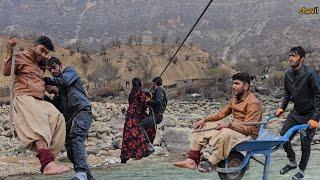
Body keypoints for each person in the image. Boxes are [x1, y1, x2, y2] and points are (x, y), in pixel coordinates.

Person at [1, 36, 69, 175]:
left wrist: (52, 89)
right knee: (39, 122)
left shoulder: (41, 66)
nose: (43, 55)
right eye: (42, 50)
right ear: (34, 46)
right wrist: (10, 50)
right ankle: (47, 163)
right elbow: (6, 71)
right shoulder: (21, 56)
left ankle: (48, 160)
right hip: (24, 96)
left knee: (58, 119)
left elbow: (39, 81)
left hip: (38, 99)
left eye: (46, 53)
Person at [174, 72, 263, 172]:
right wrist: (205, 119)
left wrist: (229, 125)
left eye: (237, 84)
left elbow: (249, 129)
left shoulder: (253, 102)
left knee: (225, 133)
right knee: (203, 126)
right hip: (235, 129)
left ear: (246, 86)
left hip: (248, 135)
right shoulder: (235, 98)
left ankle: (211, 162)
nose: (233, 86)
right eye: (233, 83)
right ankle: (192, 160)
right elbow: (222, 113)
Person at [44, 57, 94, 180]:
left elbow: (64, 81)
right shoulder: (59, 91)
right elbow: (56, 107)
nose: (53, 71)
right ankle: (87, 177)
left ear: (60, 65)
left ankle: (81, 174)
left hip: (82, 111)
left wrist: (44, 79)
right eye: (50, 70)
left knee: (76, 137)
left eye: (54, 67)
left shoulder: (70, 72)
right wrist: (44, 96)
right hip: (70, 118)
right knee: (71, 150)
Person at [275, 46, 320, 180]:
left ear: (302, 59)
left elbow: (319, 95)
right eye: (290, 55)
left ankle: (301, 170)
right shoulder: (288, 73)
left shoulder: (310, 73)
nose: (290, 58)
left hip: (309, 115)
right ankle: (292, 161)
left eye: (294, 56)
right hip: (296, 113)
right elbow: (287, 93)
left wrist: (316, 118)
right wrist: (282, 107)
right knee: (283, 137)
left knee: (305, 145)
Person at [120, 77, 156, 163]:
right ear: (140, 83)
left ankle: (125, 156)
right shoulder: (141, 92)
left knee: (128, 136)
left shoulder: (131, 93)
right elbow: (144, 104)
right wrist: (147, 97)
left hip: (129, 116)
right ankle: (147, 148)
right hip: (136, 115)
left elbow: (132, 103)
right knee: (144, 130)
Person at [140, 76, 167, 142]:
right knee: (150, 129)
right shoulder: (160, 90)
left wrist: (148, 101)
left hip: (156, 115)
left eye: (153, 84)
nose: (153, 85)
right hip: (157, 115)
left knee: (141, 125)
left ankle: (148, 144)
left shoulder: (159, 89)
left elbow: (158, 102)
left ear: (155, 83)